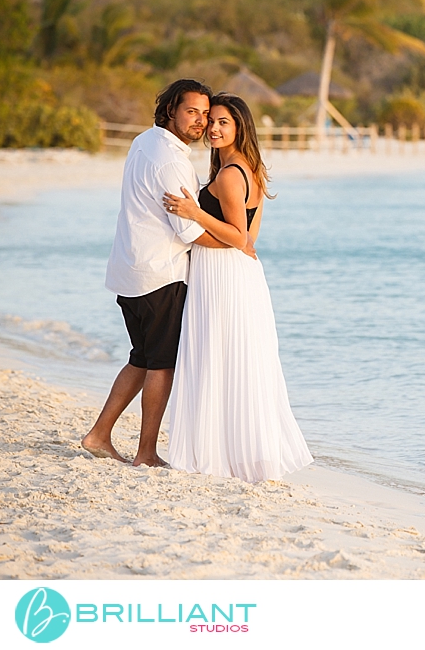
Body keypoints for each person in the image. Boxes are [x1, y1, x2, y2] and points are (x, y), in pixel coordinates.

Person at [81, 78, 255, 467]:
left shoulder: (144, 141)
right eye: (191, 112)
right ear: (171, 110)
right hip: (160, 273)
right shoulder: (172, 160)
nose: (200, 122)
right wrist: (235, 242)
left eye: (205, 114)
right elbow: (189, 231)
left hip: (129, 269)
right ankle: (146, 452)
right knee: (161, 362)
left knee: (141, 357)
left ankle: (98, 435)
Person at [163, 92, 313, 482]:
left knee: (221, 360)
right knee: (231, 361)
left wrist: (194, 216)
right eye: (210, 120)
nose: (212, 127)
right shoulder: (248, 168)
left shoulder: (231, 175)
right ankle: (235, 455)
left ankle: (219, 456)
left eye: (223, 122)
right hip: (237, 275)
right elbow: (249, 243)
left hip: (225, 277)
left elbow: (240, 237)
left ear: (240, 127)